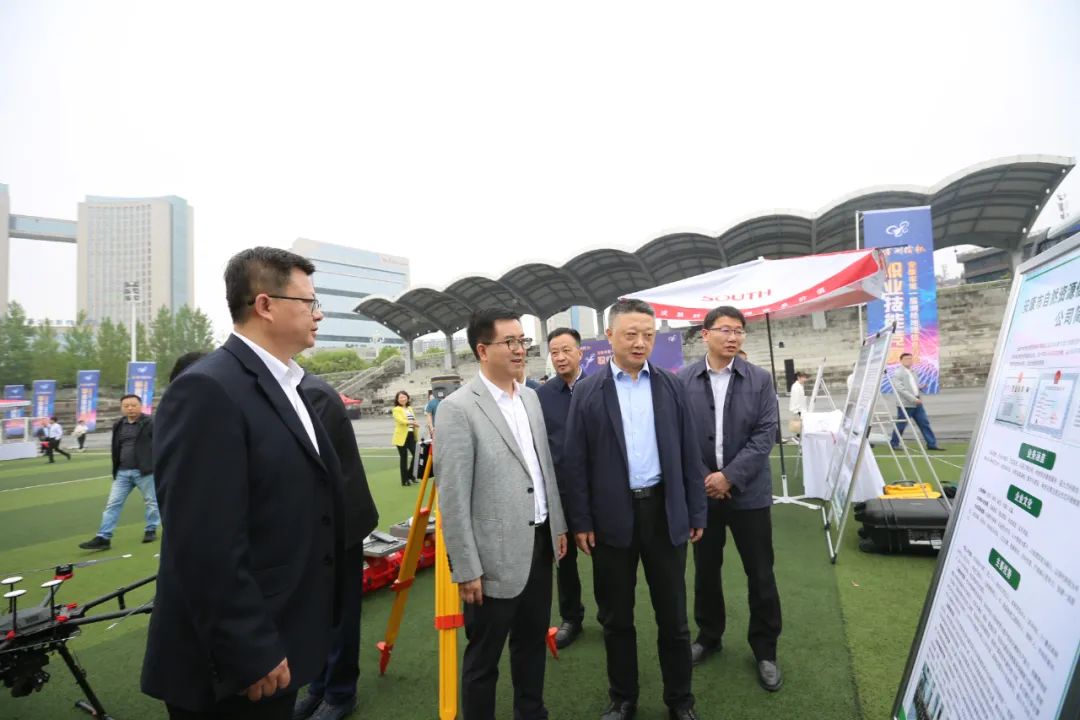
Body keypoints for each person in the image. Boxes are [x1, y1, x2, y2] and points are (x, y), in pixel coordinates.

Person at [142, 246, 345, 719]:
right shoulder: (207, 389)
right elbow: (202, 540)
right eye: (309, 302)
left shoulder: (286, 383)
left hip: (283, 635)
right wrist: (250, 648)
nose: (318, 313)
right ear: (265, 305)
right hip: (235, 667)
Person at [562, 298, 707, 720]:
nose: (641, 342)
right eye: (631, 334)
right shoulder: (588, 392)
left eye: (648, 334)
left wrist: (696, 511)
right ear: (609, 336)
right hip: (611, 519)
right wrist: (581, 521)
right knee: (616, 618)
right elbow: (575, 463)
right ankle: (623, 698)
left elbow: (690, 453)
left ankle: (680, 700)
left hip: (664, 513)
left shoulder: (671, 385)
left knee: (674, 619)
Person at [435, 307, 568, 720]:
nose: (519, 349)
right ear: (482, 350)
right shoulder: (458, 408)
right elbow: (452, 496)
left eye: (522, 341)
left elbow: (543, 469)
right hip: (491, 559)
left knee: (531, 644)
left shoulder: (529, 397)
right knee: (484, 659)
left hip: (539, 544)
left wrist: (558, 527)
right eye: (509, 342)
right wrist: (466, 567)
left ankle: (532, 712)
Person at [678, 306, 783, 693]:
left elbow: (765, 434)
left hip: (749, 494)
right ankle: (709, 636)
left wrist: (729, 477)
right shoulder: (683, 380)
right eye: (725, 329)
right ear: (705, 334)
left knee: (760, 572)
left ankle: (765, 649)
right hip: (703, 495)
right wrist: (706, 479)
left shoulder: (759, 380)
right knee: (706, 570)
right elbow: (679, 436)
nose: (733, 337)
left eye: (739, 330)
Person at [293, 373, 380, 720]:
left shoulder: (313, 394)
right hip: (311, 524)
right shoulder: (290, 390)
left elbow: (313, 469)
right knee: (317, 612)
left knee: (339, 613)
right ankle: (319, 686)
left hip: (337, 524)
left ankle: (340, 692)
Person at [535, 327, 587, 649]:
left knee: (608, 559)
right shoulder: (541, 396)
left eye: (566, 350)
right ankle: (571, 618)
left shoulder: (600, 387)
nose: (560, 357)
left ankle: (612, 613)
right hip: (560, 493)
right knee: (564, 560)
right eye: (554, 352)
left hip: (597, 492)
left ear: (580, 352)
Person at [78, 394, 161, 550]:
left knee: (151, 502)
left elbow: (160, 444)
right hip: (122, 472)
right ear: (122, 408)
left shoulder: (151, 422)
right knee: (113, 504)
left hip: (145, 471)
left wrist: (154, 464)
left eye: (133, 405)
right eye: (126, 406)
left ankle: (151, 529)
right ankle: (104, 537)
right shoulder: (119, 424)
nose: (130, 408)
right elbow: (117, 447)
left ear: (141, 406)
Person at [889, 352, 944, 451]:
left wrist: (920, 387)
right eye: (906, 359)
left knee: (924, 423)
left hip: (917, 402)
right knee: (901, 424)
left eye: (910, 358)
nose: (909, 360)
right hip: (906, 404)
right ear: (901, 361)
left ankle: (931, 444)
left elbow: (912, 385)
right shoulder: (898, 373)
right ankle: (894, 443)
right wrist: (914, 399)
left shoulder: (913, 372)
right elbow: (900, 389)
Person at [391, 390, 419, 486]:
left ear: (407, 398)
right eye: (400, 397)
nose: (403, 399)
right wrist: (412, 422)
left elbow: (413, 420)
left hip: (411, 435)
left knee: (417, 455)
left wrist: (415, 424)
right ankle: (404, 480)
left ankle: (411, 475)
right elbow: (400, 420)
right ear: (397, 399)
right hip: (401, 436)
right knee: (404, 458)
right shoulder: (396, 409)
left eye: (404, 397)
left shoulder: (409, 408)